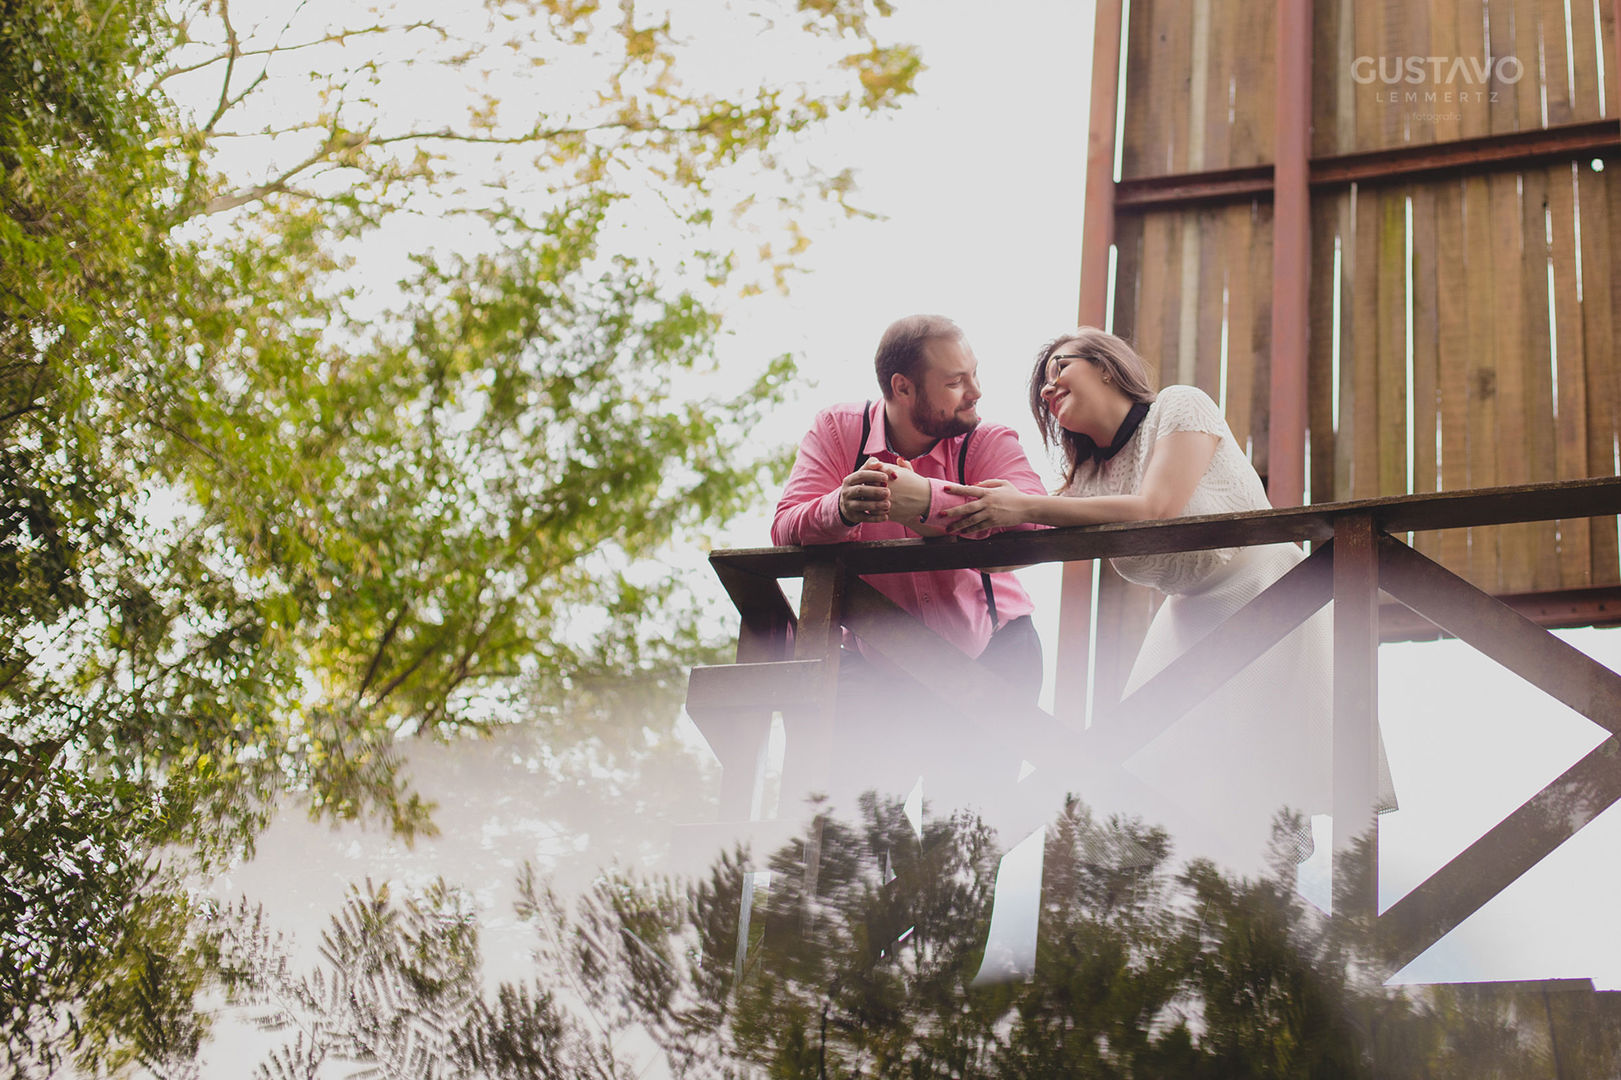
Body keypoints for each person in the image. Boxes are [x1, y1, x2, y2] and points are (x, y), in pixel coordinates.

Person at [941, 327, 1393, 869]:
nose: (1047, 387)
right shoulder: (1087, 477)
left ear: (1106, 366)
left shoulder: (1180, 406)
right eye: (1042, 383)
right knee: (1164, 783)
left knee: (1255, 777)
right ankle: (1215, 916)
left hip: (1263, 592)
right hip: (1188, 614)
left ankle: (1274, 917)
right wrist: (941, 511)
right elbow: (1022, 549)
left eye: (1060, 367)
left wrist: (1025, 507)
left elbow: (1157, 505)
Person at [773, 314, 1048, 701]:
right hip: (874, 678)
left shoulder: (987, 440)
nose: (976, 392)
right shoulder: (837, 431)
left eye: (974, 374)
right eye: (955, 382)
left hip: (999, 657)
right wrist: (841, 508)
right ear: (902, 387)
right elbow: (784, 527)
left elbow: (1040, 523)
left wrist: (927, 501)